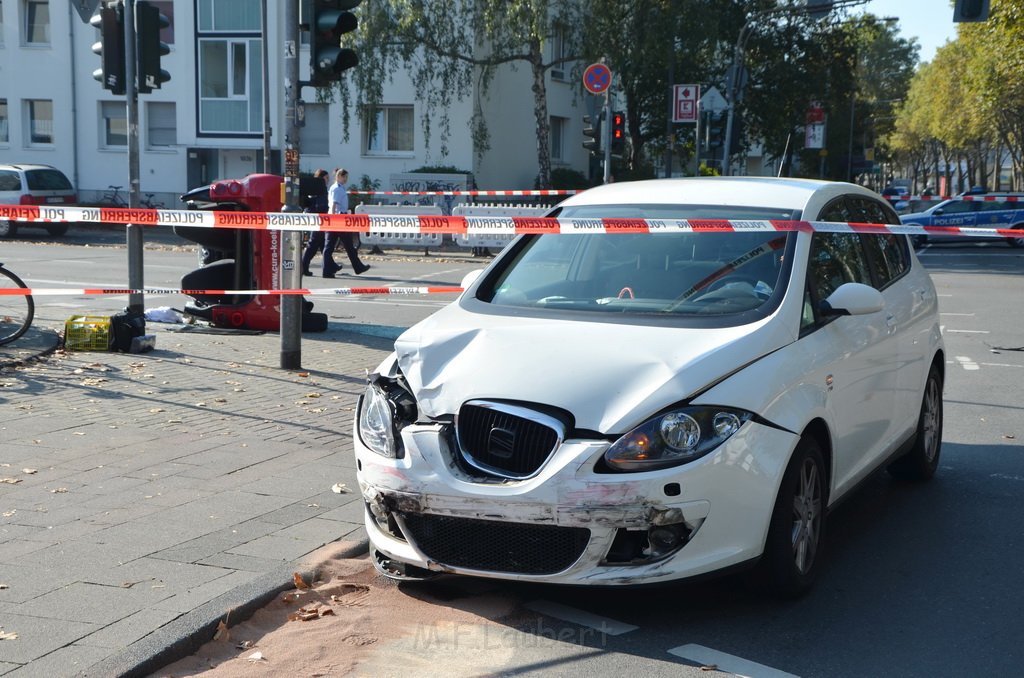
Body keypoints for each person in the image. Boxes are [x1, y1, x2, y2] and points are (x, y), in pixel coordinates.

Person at [326, 168, 370, 277]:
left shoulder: (337, 187)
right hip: (338, 217)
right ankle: (357, 267)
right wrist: (333, 218)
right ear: (339, 176)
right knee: (344, 245)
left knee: (331, 245)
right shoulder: (337, 189)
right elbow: (334, 205)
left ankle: (328, 269)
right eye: (344, 177)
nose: (346, 179)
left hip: (338, 217)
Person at [300, 169, 333, 277]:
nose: (328, 180)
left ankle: (329, 267)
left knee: (322, 244)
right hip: (319, 219)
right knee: (314, 244)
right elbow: (320, 206)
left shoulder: (314, 188)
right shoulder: (320, 189)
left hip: (317, 218)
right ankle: (304, 267)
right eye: (326, 178)